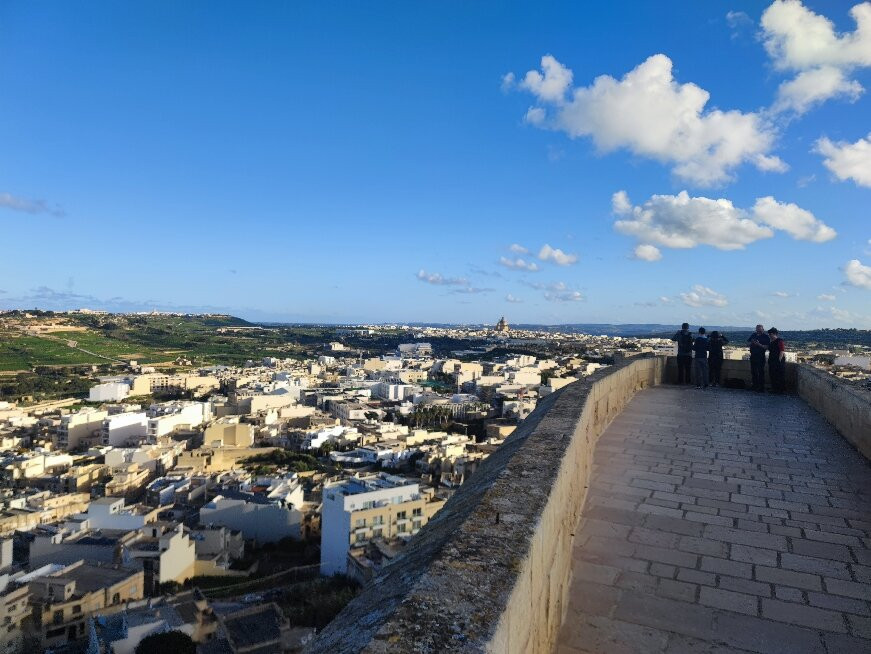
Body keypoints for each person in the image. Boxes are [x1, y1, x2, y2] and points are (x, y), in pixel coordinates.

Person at [747, 324, 770, 392]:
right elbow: (747, 343)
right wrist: (752, 343)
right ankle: (754, 385)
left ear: (763, 329)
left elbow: (767, 347)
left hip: (760, 356)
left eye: (759, 330)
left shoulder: (766, 337)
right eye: (757, 329)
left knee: (760, 372)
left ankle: (761, 387)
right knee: (753, 371)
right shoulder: (753, 335)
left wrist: (758, 344)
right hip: (753, 355)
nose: (758, 331)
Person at [768, 328, 786, 393]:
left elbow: (782, 350)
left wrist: (779, 360)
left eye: (770, 334)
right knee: (773, 375)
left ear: (774, 334)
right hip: (772, 360)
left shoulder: (779, 341)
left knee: (779, 375)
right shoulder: (771, 342)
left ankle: (780, 390)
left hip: (778, 361)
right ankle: (774, 389)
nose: (769, 335)